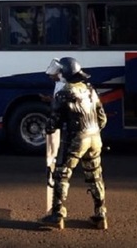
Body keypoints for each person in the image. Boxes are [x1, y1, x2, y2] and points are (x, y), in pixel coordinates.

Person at [40, 57, 108, 230]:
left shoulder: (64, 93)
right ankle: (100, 215)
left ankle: (57, 214)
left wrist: (47, 129)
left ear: (64, 74)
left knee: (62, 174)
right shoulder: (90, 90)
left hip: (77, 138)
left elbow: (53, 123)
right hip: (95, 138)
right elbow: (103, 119)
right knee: (95, 175)